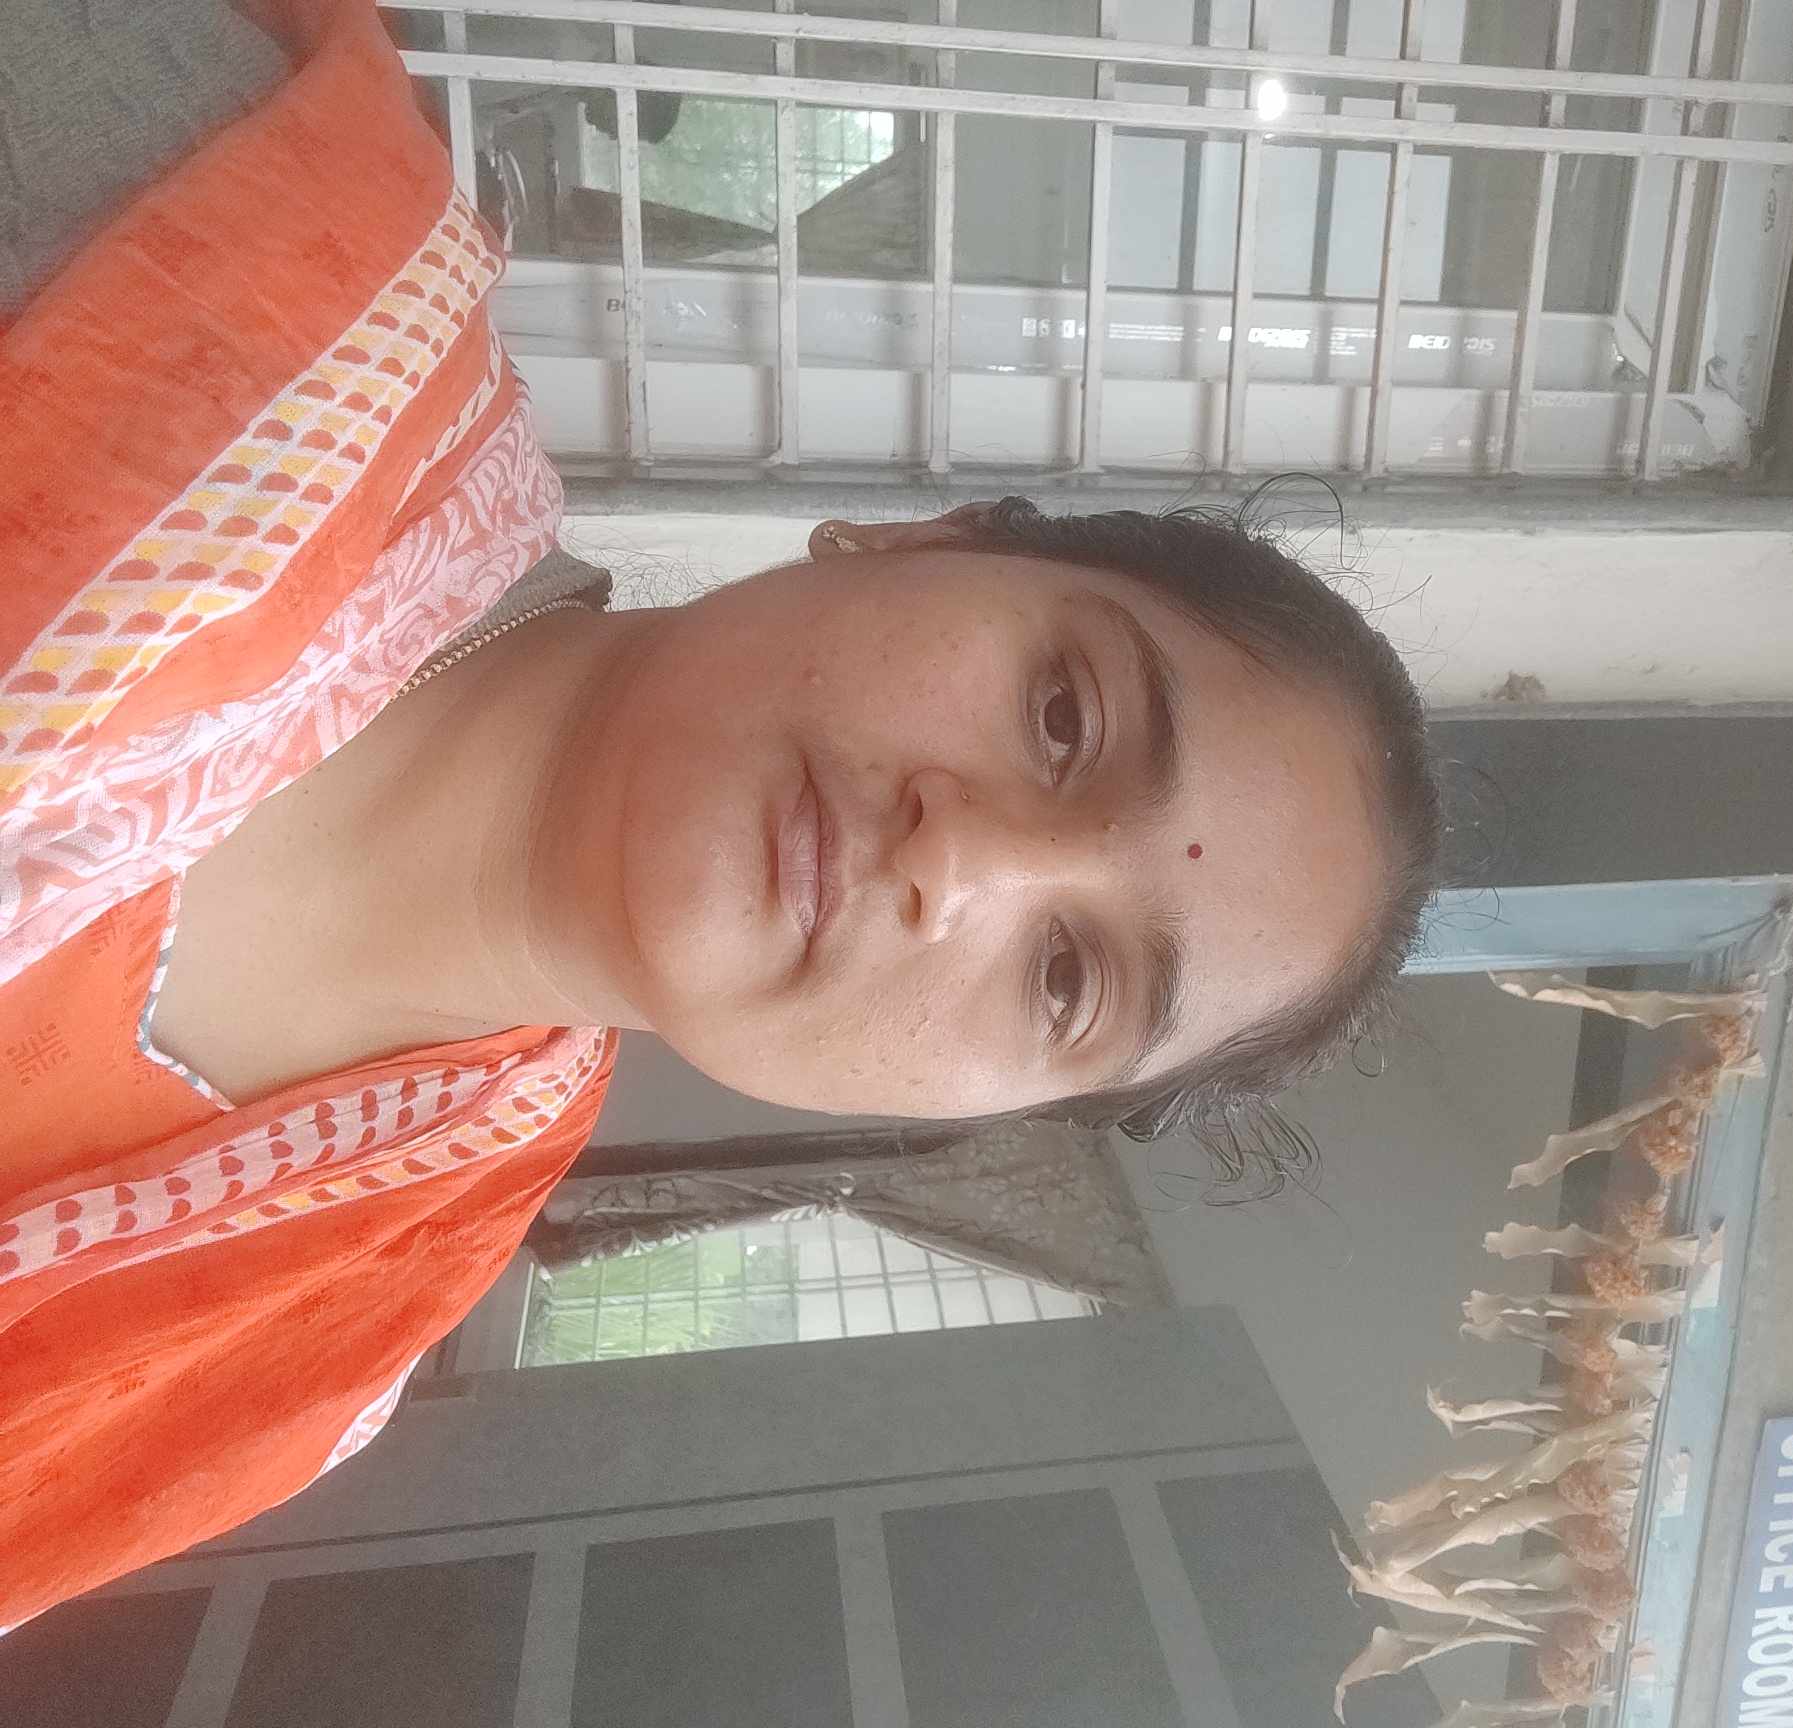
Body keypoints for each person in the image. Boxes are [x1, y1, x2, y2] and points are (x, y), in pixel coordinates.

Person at [0, 0, 1440, 1631]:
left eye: (1066, 980)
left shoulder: (312, 1341)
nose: (960, 860)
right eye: (1065, 716)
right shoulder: (179, 191)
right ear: (921, 539)